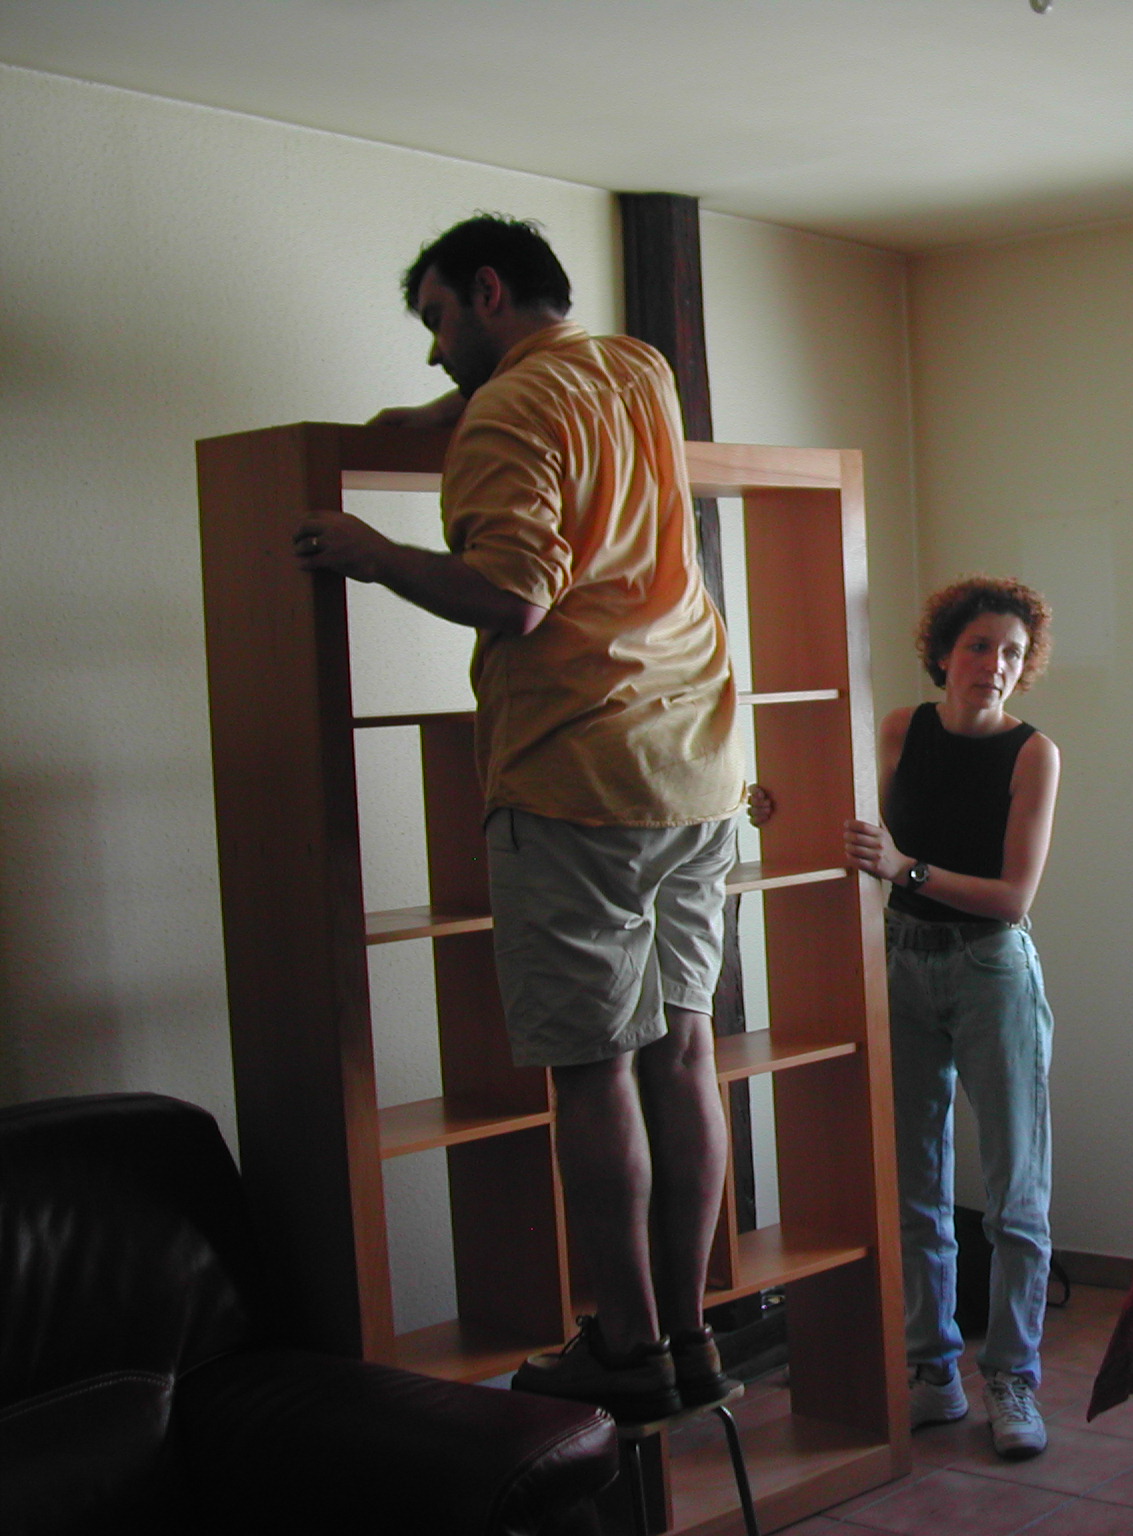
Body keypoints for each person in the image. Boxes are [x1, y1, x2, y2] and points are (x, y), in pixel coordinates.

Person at [294, 215, 742, 1423]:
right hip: (696, 765)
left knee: (591, 1075)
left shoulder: (506, 414)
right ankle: (691, 1335)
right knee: (682, 1053)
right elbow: (543, 408)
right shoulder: (636, 367)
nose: (434, 348)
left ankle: (625, 1347)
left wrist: (370, 552)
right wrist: (438, 411)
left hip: (574, 777)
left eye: (439, 318)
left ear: (486, 291)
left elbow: (514, 594)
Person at [842, 578, 1062, 1460]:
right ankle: (933, 1371)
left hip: (990, 970)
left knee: (1015, 1190)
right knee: (915, 1184)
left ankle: (1012, 1379)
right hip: (899, 961)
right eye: (979, 646)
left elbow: (1013, 897)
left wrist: (908, 869)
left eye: (1012, 651)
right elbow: (859, 837)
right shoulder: (900, 729)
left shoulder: (1034, 754)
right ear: (943, 651)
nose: (994, 665)